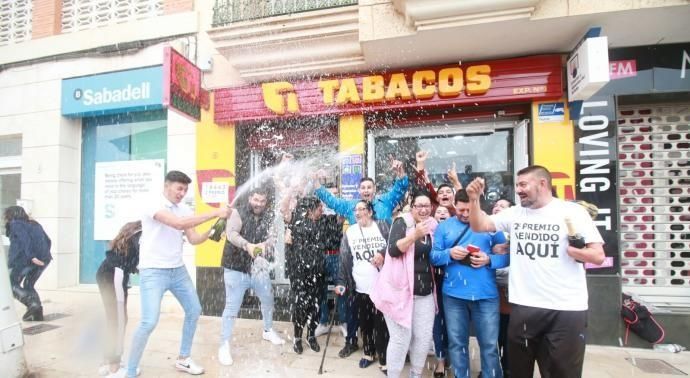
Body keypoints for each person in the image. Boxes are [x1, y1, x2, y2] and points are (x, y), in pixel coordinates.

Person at [466, 166, 605, 378]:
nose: (518, 190)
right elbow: (479, 225)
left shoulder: (573, 212)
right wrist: (474, 199)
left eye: (523, 184)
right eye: (517, 185)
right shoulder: (515, 213)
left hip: (566, 308)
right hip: (524, 307)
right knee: (519, 370)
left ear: (542, 184)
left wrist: (576, 251)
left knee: (562, 372)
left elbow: (598, 255)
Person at [124, 170, 231, 378]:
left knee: (194, 310)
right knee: (148, 322)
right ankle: (130, 370)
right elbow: (178, 224)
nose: (182, 193)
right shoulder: (152, 202)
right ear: (167, 185)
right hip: (153, 271)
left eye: (185, 189)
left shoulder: (183, 208)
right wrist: (216, 212)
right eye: (179, 188)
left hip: (177, 270)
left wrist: (211, 232)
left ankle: (183, 359)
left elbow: (193, 239)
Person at [313, 159, 408, 358]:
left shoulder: (385, 202)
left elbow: (400, 190)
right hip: (357, 271)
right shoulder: (350, 207)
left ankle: (385, 348)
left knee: (383, 312)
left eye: (369, 187)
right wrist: (317, 185)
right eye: (362, 187)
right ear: (359, 190)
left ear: (374, 189)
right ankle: (353, 342)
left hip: (383, 269)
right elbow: (332, 202)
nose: (366, 190)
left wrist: (400, 173)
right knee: (355, 310)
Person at [430, 190, 508, 378]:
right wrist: (449, 254)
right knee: (457, 344)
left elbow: (507, 256)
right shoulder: (444, 227)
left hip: (486, 295)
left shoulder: (490, 225)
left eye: (469, 210)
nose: (465, 214)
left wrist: (488, 260)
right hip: (453, 296)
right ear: (454, 205)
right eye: (461, 209)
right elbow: (433, 257)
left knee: (489, 346)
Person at [371, 194, 438, 378]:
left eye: (427, 205)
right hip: (399, 293)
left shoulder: (433, 225)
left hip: (425, 293)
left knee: (423, 339)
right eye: (419, 205)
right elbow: (392, 250)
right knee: (401, 339)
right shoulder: (402, 222)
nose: (424, 209)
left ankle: (415, 374)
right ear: (412, 206)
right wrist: (414, 235)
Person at [218, 188, 285, 367]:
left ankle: (268, 329)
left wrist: (266, 244)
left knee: (268, 298)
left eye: (263, 201)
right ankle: (224, 345)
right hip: (235, 267)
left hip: (257, 266)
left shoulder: (267, 215)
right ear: (250, 199)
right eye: (256, 200)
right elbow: (232, 234)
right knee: (232, 307)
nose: (259, 204)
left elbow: (272, 237)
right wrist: (247, 245)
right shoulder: (237, 212)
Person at [334, 200, 390, 373]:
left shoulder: (382, 226)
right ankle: (368, 352)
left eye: (362, 209)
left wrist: (382, 254)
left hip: (381, 286)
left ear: (370, 212)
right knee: (365, 324)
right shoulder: (350, 232)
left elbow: (394, 248)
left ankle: (384, 356)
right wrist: (341, 282)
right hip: (360, 287)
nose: (358, 213)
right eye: (355, 210)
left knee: (382, 325)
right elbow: (344, 260)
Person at [96, 221, 142, 377]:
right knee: (119, 320)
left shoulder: (132, 234)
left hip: (107, 273)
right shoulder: (141, 234)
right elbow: (142, 259)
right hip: (115, 275)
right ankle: (114, 368)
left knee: (114, 319)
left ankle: (107, 361)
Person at [286, 196, 329, 354]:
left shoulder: (323, 223)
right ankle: (297, 338)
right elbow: (290, 250)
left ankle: (311, 336)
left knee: (315, 307)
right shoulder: (297, 225)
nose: (322, 210)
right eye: (319, 208)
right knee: (301, 307)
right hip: (300, 275)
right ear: (311, 210)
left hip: (317, 274)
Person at [5, 205, 51, 322]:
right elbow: (48, 240)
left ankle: (32, 305)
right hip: (43, 261)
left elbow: (25, 239)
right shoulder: (34, 224)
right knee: (29, 285)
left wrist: (32, 256)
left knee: (10, 285)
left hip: (24, 261)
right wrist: (43, 256)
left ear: (11, 214)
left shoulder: (16, 224)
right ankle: (37, 314)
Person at [314, 185, 347, 339]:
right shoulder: (318, 213)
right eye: (329, 195)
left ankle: (343, 322)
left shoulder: (339, 212)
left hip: (336, 256)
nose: (331, 198)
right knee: (322, 290)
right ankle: (323, 322)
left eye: (334, 195)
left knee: (340, 289)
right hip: (321, 256)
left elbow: (341, 218)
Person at [492, 198, 513, 377]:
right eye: (496, 205)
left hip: (512, 290)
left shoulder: (515, 230)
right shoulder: (487, 229)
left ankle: (508, 368)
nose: (497, 208)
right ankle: (492, 368)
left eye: (503, 206)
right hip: (492, 289)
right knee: (493, 334)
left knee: (510, 334)